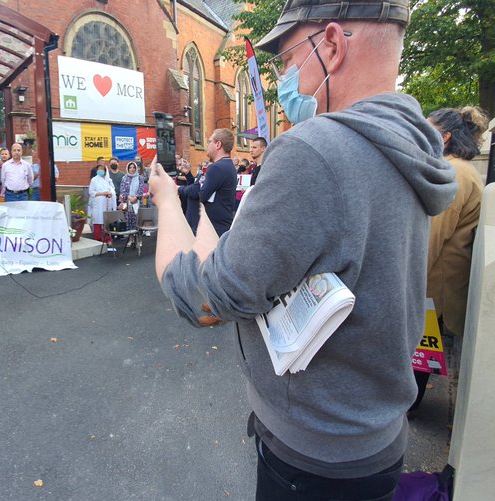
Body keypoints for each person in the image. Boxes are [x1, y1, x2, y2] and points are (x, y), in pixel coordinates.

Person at [151, 3, 456, 496]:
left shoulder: (316, 149)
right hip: (375, 439)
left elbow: (206, 301)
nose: (284, 78)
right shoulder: (410, 147)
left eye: (288, 58)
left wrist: (167, 202)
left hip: (314, 456)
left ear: (332, 45)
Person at [412, 106, 488, 410]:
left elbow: (432, 236)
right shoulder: (460, 168)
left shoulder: (454, 172)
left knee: (418, 354)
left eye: (426, 129)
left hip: (435, 285)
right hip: (442, 281)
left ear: (444, 137)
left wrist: (409, 280)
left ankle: (408, 407)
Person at [182, 129, 237, 236]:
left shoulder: (217, 167)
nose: (207, 145)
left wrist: (179, 188)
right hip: (218, 227)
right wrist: (188, 174)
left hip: (212, 229)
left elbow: (200, 194)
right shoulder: (226, 165)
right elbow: (200, 187)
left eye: (209, 142)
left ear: (218, 144)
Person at [118, 162, 148, 248]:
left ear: (136, 169)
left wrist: (136, 197)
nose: (132, 169)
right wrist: (129, 197)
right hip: (128, 204)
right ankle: (131, 239)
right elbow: (122, 190)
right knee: (129, 222)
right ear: (127, 169)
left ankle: (139, 239)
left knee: (138, 222)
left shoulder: (140, 178)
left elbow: (141, 189)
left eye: (133, 167)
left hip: (137, 203)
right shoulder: (124, 178)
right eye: (130, 167)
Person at [86, 163, 116, 244]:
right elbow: (91, 192)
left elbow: (112, 190)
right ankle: (98, 240)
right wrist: (103, 193)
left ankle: (107, 239)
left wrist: (110, 194)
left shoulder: (108, 180)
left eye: (102, 169)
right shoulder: (94, 180)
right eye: (99, 169)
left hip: (107, 204)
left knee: (106, 222)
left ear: (105, 171)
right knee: (98, 221)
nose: (100, 171)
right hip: (97, 204)